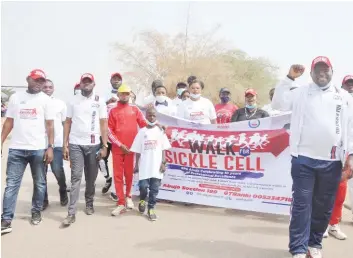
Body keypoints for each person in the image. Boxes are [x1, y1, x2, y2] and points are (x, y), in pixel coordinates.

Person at [271, 57, 353, 258]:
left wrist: (350, 156)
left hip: (332, 161)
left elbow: (350, 128)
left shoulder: (344, 96)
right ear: (311, 73)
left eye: (325, 70)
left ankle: (314, 244)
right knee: (302, 204)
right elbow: (278, 102)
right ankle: (298, 248)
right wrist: (289, 78)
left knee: (323, 206)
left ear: (332, 71)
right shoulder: (301, 92)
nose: (321, 73)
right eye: (318, 70)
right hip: (304, 159)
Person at [1, 69, 54, 234]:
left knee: (39, 183)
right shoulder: (16, 98)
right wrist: (1, 141)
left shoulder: (46, 100)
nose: (39, 83)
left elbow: (50, 125)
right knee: (11, 185)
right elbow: (9, 122)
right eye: (36, 80)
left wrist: (50, 147)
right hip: (17, 149)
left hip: (38, 149)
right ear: (28, 79)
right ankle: (6, 219)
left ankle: (36, 211)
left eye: (42, 81)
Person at [62, 73, 108, 226]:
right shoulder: (73, 101)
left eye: (89, 82)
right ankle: (71, 212)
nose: (86, 84)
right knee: (76, 178)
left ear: (94, 84)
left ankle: (89, 202)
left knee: (91, 178)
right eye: (84, 82)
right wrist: (65, 144)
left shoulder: (99, 101)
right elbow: (67, 123)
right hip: (76, 144)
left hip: (93, 144)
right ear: (80, 84)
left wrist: (104, 145)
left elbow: (103, 124)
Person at [108, 84, 147, 216]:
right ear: (118, 95)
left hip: (131, 148)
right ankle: (120, 202)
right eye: (122, 93)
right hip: (118, 149)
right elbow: (109, 131)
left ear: (130, 95)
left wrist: (157, 126)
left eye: (127, 93)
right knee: (118, 176)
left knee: (129, 174)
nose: (124, 95)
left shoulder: (135, 109)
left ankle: (128, 197)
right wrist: (119, 145)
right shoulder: (112, 110)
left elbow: (144, 124)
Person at [323, 75, 353, 240]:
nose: (351, 88)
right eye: (348, 84)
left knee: (341, 194)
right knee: (326, 192)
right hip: (329, 152)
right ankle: (323, 225)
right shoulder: (335, 101)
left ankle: (334, 224)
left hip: (346, 153)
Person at [130, 107, 171, 221]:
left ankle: (151, 208)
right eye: (149, 115)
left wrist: (163, 163)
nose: (151, 117)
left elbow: (163, 149)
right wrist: (136, 165)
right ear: (146, 116)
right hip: (144, 165)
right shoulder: (142, 132)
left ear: (156, 117)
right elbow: (138, 150)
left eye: (153, 115)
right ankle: (142, 199)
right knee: (143, 186)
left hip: (157, 166)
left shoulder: (160, 132)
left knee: (154, 189)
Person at [41, 79, 68, 210]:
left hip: (56, 143)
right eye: (44, 87)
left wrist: (65, 144)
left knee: (58, 170)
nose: (47, 89)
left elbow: (65, 124)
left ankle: (63, 190)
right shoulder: (36, 103)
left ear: (53, 88)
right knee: (41, 174)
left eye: (49, 87)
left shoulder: (60, 104)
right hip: (39, 144)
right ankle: (44, 200)